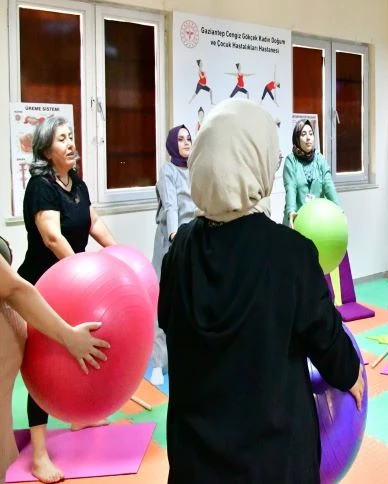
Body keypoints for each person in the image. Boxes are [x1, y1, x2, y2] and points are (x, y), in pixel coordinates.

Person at [158, 98, 365, 483]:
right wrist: (352, 374)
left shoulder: (180, 250)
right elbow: (326, 338)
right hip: (272, 460)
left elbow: (170, 326)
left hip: (194, 460)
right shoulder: (290, 253)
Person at [16, 116, 117, 483]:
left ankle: (79, 414)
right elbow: (53, 238)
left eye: (72, 136)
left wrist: (119, 255)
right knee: (44, 363)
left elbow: (93, 223)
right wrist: (87, 275)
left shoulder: (78, 184)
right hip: (41, 287)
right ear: (46, 150)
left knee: (80, 345)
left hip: (73, 284)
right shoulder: (40, 187)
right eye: (62, 138)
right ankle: (40, 455)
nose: (71, 143)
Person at [0, 237, 109, 484]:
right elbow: (15, 288)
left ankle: (79, 416)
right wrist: (69, 336)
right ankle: (40, 455)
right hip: (46, 291)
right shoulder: (44, 196)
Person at [149, 125, 196, 386]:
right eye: (180, 138)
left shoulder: (196, 168)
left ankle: (187, 357)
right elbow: (171, 206)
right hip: (170, 239)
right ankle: (159, 363)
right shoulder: (168, 170)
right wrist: (175, 236)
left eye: (189, 138)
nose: (186, 142)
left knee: (190, 299)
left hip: (192, 238)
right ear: (171, 143)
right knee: (162, 299)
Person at [283, 119, 340, 227]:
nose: (308, 137)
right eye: (303, 134)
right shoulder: (291, 161)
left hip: (316, 222)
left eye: (311, 133)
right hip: (296, 220)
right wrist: (291, 211)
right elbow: (290, 188)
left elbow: (328, 185)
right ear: (297, 138)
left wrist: (338, 208)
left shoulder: (320, 159)